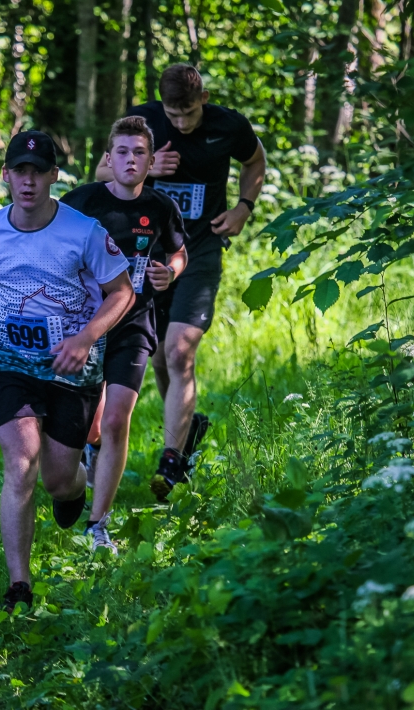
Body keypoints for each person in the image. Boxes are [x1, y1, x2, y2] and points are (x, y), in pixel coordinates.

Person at [0, 130, 134, 612]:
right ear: (6, 175)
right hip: (13, 364)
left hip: (72, 368)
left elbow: (122, 292)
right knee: (20, 463)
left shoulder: (84, 232)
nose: (28, 181)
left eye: (38, 172)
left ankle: (79, 478)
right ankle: (19, 585)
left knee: (58, 481)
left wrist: (86, 338)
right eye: (20, 171)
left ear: (55, 175)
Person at [95, 64, 267, 501]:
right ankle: (188, 432)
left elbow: (255, 160)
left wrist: (244, 207)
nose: (181, 123)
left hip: (200, 251)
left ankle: (172, 462)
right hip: (150, 252)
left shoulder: (228, 126)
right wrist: (149, 167)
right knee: (158, 357)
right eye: (173, 115)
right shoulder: (143, 122)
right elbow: (100, 173)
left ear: (203, 99)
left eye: (188, 113)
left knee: (179, 350)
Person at [60, 116, 188, 553]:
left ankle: (98, 526)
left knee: (117, 419)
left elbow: (179, 252)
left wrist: (170, 272)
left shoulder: (162, 207)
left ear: (151, 162)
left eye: (139, 153)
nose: (130, 160)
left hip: (134, 322)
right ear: (108, 158)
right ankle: (90, 449)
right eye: (122, 152)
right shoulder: (81, 201)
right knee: (92, 425)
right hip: (83, 324)